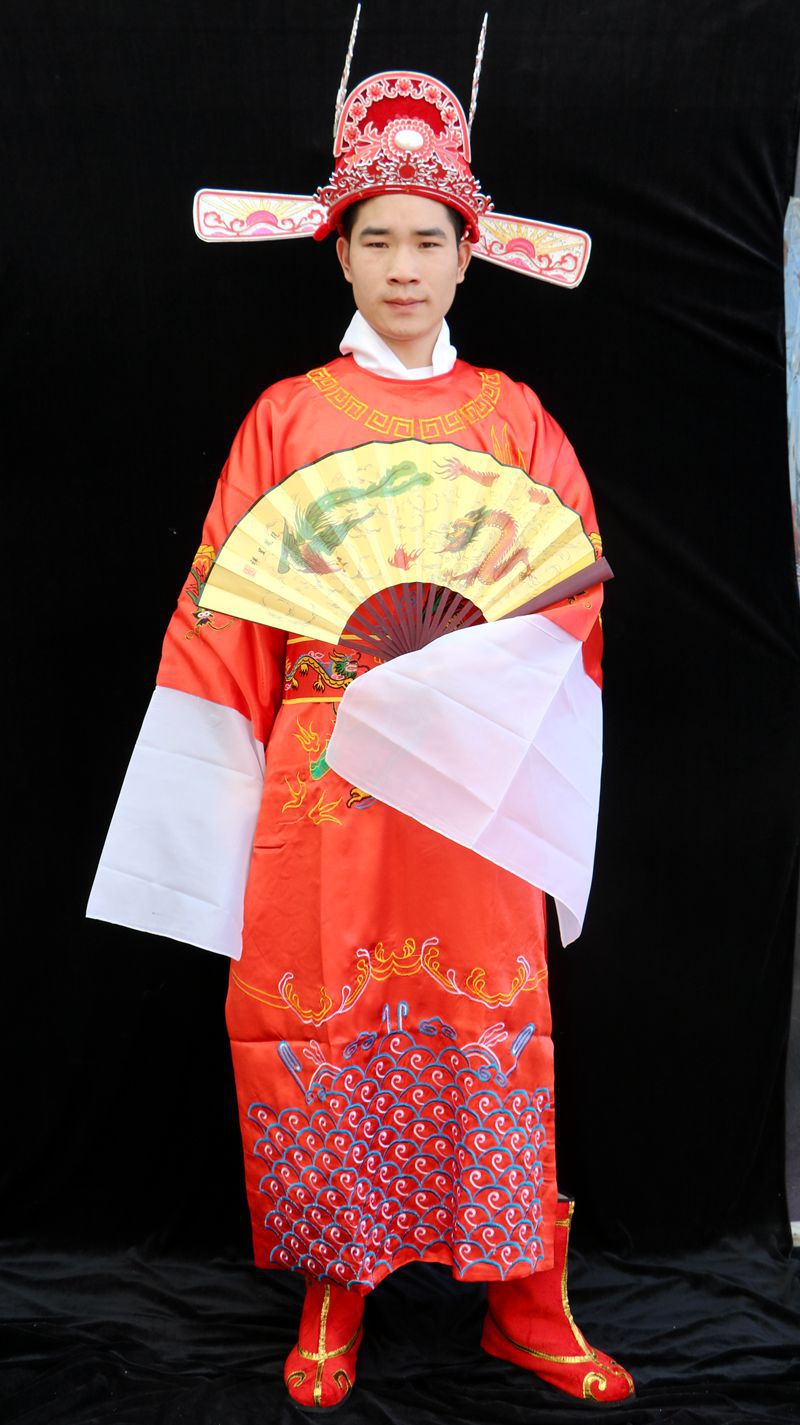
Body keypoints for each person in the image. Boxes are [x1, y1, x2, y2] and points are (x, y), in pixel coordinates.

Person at [88, 33, 634, 1411]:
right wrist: (215, 792)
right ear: (339, 255)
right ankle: (336, 1284)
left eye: (427, 241)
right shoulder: (287, 419)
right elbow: (222, 610)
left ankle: (526, 1296)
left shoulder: (512, 419)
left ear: (467, 256)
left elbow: (569, 595)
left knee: (494, 1009)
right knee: (322, 1012)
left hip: (473, 776)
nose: (402, 266)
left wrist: (456, 678)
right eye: (377, 239)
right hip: (324, 774)